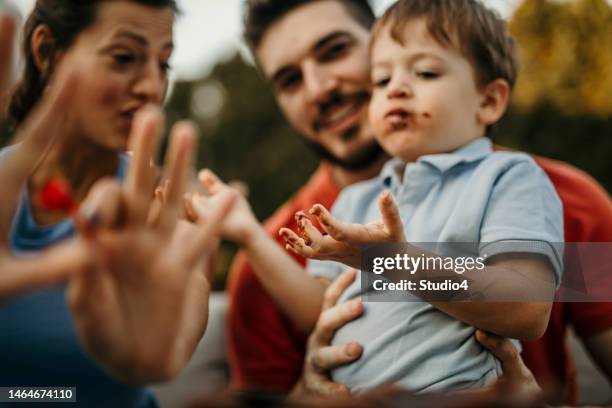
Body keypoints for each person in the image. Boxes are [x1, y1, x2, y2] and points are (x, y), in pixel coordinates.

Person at [228, 0, 612, 403]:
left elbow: (527, 307)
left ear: (489, 100)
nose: (319, 86)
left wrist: (393, 261)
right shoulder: (345, 208)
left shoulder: (534, 188)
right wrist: (249, 236)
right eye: (382, 79)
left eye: (335, 50)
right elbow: (322, 308)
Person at [0, 2, 237, 407]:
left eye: (164, 65)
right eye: (124, 58)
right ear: (46, 53)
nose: (151, 86)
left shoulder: (170, 213)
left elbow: (367, 299)